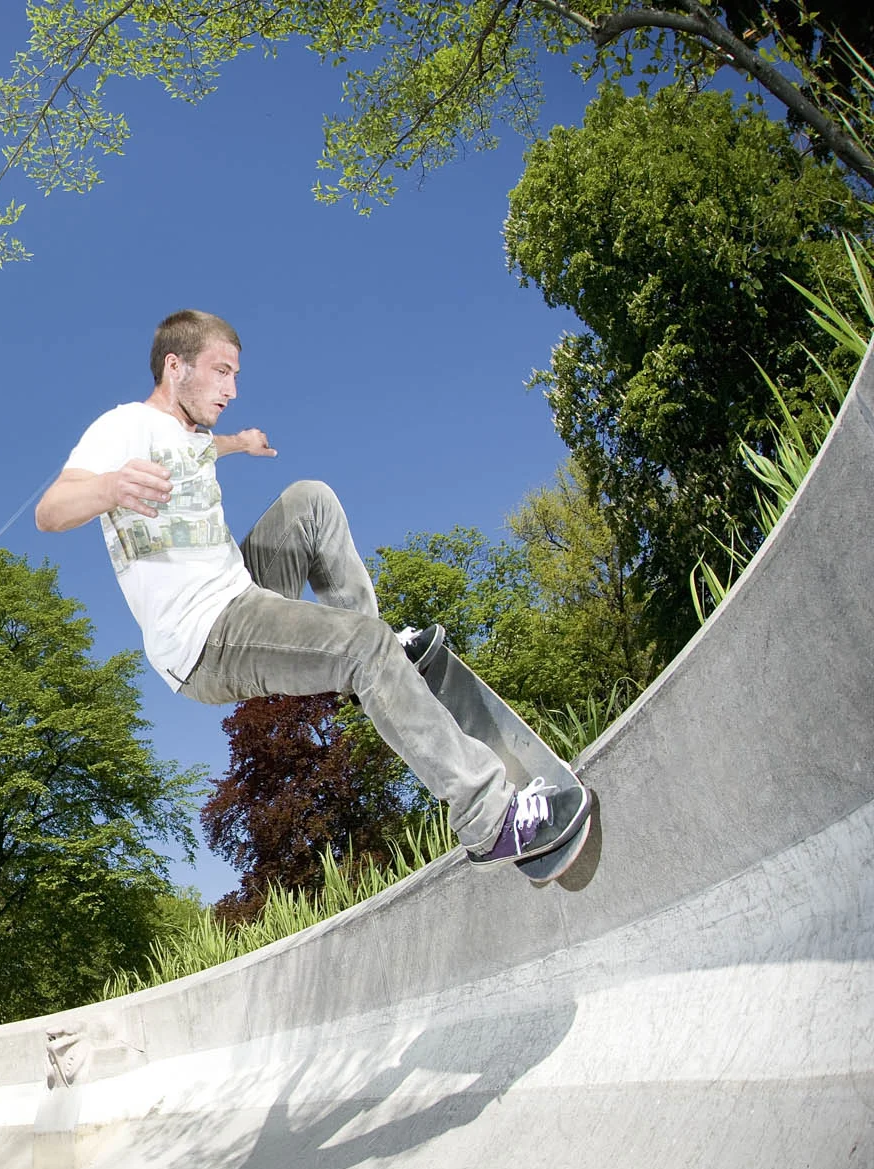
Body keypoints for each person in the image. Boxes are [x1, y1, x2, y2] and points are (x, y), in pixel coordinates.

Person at [34, 309, 586, 867]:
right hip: (206, 637)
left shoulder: (191, 434)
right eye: (221, 372)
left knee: (310, 500)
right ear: (175, 367)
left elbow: (205, 448)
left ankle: (382, 653)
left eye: (237, 377)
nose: (232, 389)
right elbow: (50, 511)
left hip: (244, 588)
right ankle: (490, 820)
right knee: (361, 647)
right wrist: (109, 485)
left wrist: (241, 442)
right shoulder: (123, 426)